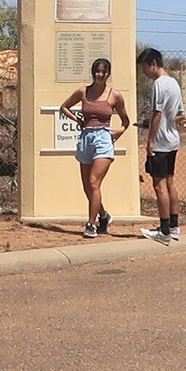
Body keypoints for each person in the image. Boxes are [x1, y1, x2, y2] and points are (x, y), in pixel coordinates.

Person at [60, 58, 131, 238]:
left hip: (103, 138)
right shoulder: (83, 92)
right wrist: (78, 120)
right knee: (87, 187)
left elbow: (125, 121)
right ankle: (104, 216)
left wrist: (119, 132)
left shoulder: (115, 96)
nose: (99, 75)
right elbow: (64, 107)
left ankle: (91, 224)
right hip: (86, 138)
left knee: (94, 182)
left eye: (103, 71)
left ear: (108, 74)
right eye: (97, 71)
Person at [137, 48, 184, 245]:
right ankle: (174, 226)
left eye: (145, 68)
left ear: (153, 63)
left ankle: (164, 230)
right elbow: (180, 115)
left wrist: (150, 141)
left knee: (159, 185)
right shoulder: (173, 83)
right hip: (173, 140)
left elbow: (157, 114)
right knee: (170, 182)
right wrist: (166, 122)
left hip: (161, 143)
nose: (145, 73)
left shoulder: (159, 84)